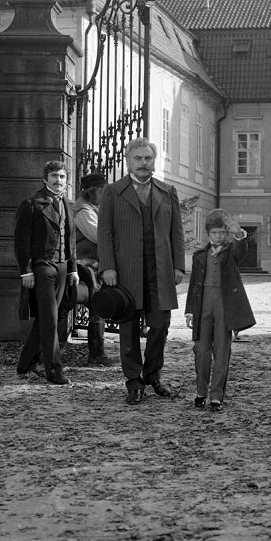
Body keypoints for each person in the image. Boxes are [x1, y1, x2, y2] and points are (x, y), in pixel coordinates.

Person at [98, 138, 185, 404]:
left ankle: (153, 375)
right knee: (128, 328)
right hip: (125, 271)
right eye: (138, 159)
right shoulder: (113, 192)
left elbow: (177, 233)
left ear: (154, 161)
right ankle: (134, 382)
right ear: (128, 161)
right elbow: (105, 233)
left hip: (159, 272)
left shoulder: (167, 191)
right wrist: (108, 267)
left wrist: (178, 265)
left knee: (160, 326)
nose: (144, 163)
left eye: (148, 158)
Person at [14, 160, 78, 385]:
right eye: (54, 176)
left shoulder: (69, 205)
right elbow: (22, 242)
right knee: (50, 319)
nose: (58, 180)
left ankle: (25, 364)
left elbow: (71, 241)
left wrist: (73, 269)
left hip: (62, 266)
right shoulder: (31, 204)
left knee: (45, 318)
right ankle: (54, 371)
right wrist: (26, 272)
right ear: (45, 179)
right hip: (42, 267)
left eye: (62, 176)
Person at [185, 209, 256, 412]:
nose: (219, 236)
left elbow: (241, 249)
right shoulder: (199, 256)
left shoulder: (231, 252)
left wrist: (239, 233)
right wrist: (190, 310)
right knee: (201, 351)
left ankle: (216, 395)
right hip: (203, 305)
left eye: (222, 233)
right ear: (208, 234)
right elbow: (194, 285)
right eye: (215, 233)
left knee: (222, 352)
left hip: (224, 305)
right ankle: (201, 392)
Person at [57, 170, 115, 366]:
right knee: (94, 306)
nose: (104, 195)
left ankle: (91, 353)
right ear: (92, 192)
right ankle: (94, 355)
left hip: (88, 269)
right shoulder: (84, 211)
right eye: (102, 191)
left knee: (84, 308)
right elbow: (100, 238)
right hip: (83, 269)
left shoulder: (90, 208)